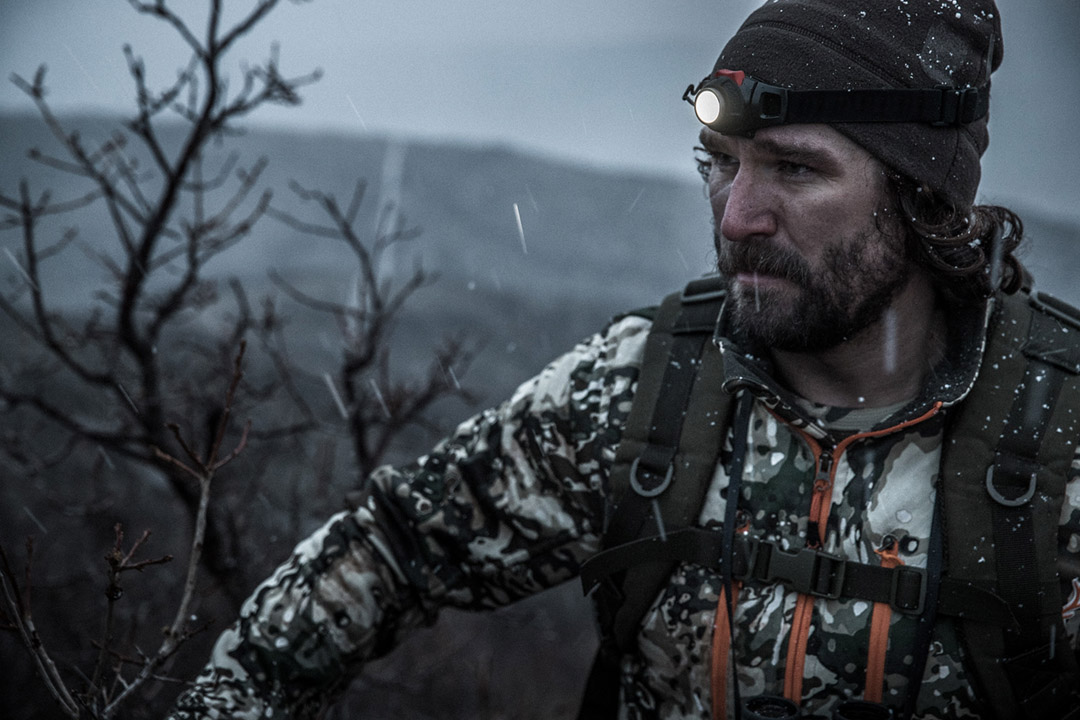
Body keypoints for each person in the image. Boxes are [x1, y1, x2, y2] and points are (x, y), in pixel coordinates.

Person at [168, 0, 1080, 718]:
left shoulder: (1060, 439)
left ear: (920, 194)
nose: (736, 215)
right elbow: (399, 549)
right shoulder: (646, 390)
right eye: (719, 162)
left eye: (795, 170)